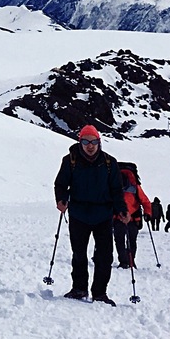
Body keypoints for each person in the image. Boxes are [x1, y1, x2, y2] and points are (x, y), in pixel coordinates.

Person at [53, 125, 128, 304]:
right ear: (80, 142)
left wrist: (122, 209)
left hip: (103, 215)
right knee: (79, 253)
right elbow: (61, 184)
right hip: (78, 214)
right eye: (86, 141)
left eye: (93, 141)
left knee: (105, 255)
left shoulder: (110, 163)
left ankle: (100, 293)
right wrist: (61, 199)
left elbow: (117, 190)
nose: (90, 145)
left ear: (99, 142)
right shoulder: (69, 161)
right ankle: (79, 288)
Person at [115, 162, 152, 269]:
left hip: (118, 218)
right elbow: (145, 201)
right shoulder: (134, 186)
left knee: (119, 240)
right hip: (134, 218)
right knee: (131, 240)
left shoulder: (112, 186)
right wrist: (148, 213)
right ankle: (131, 261)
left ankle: (123, 262)